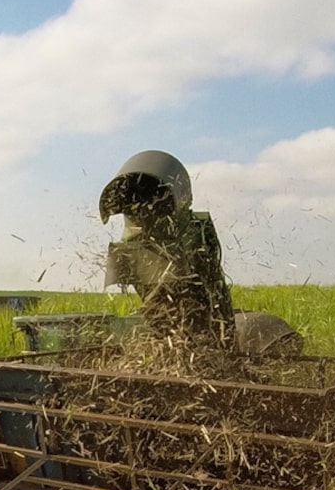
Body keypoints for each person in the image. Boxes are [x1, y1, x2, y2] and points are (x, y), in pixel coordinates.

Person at [100, 150, 236, 350]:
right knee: (162, 316)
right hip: (173, 333)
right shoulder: (134, 243)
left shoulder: (193, 235)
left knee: (202, 326)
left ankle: (203, 346)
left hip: (206, 332)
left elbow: (212, 291)